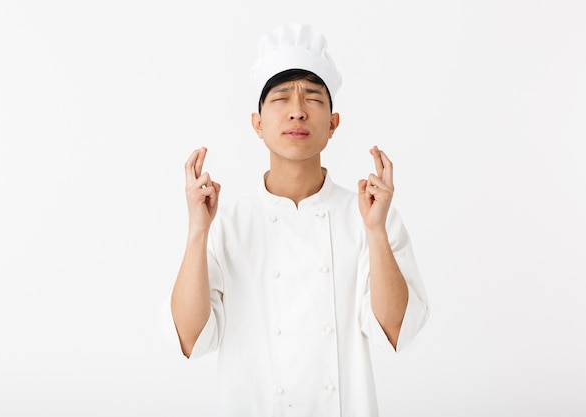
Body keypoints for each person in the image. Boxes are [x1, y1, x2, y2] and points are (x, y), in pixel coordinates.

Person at [168, 23, 429, 417]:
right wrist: (196, 232)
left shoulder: (369, 216)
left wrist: (375, 231)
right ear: (257, 123)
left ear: (332, 124)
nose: (297, 110)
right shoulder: (225, 222)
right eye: (280, 98)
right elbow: (189, 340)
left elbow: (396, 331)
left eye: (312, 97)